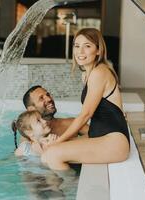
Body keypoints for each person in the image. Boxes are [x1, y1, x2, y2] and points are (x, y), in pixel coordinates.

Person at [41, 28, 130, 170]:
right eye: (77, 46)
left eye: (87, 46)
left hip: (114, 141)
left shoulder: (99, 73)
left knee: (52, 154)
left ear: (98, 50)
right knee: (45, 154)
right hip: (99, 135)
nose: (80, 51)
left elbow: (85, 115)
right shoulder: (89, 74)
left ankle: (68, 189)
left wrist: (59, 142)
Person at [23, 85, 89, 137]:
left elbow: (97, 136)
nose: (49, 99)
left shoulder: (72, 123)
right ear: (31, 109)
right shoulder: (30, 135)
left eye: (48, 95)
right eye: (41, 98)